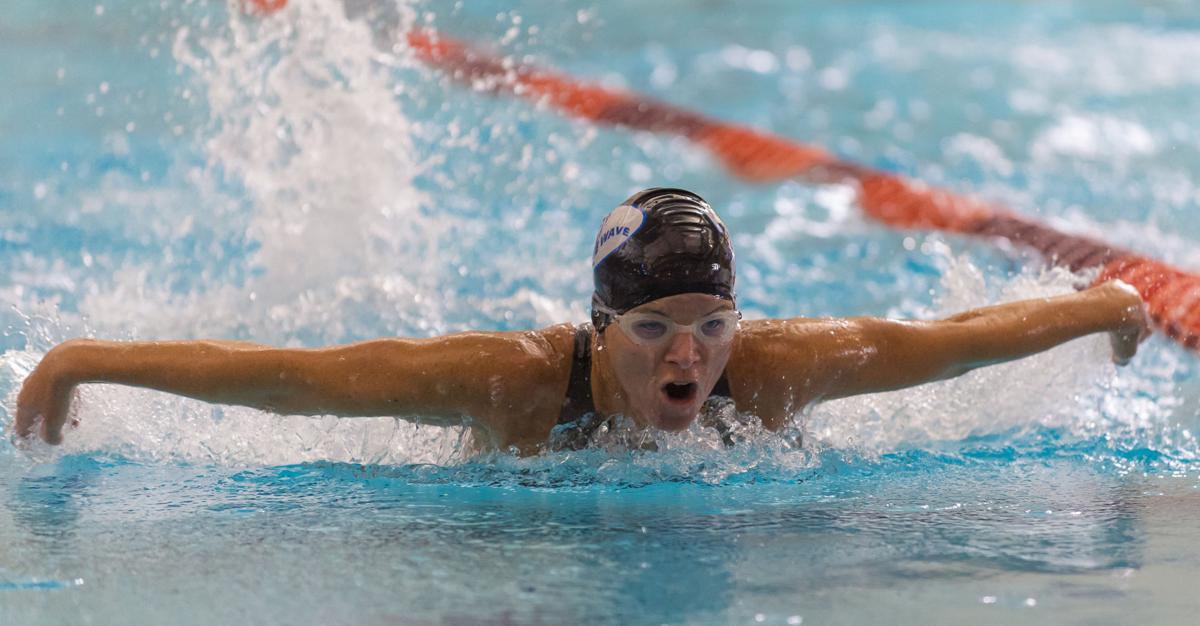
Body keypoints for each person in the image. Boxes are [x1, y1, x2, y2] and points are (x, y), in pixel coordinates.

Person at [13, 188, 1149, 454]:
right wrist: (81, 360)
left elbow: (949, 344)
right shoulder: (503, 379)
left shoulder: (778, 371)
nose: (692, 353)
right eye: (656, 326)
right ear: (601, 328)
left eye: (712, 321)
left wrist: (1099, 307)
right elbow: (294, 379)